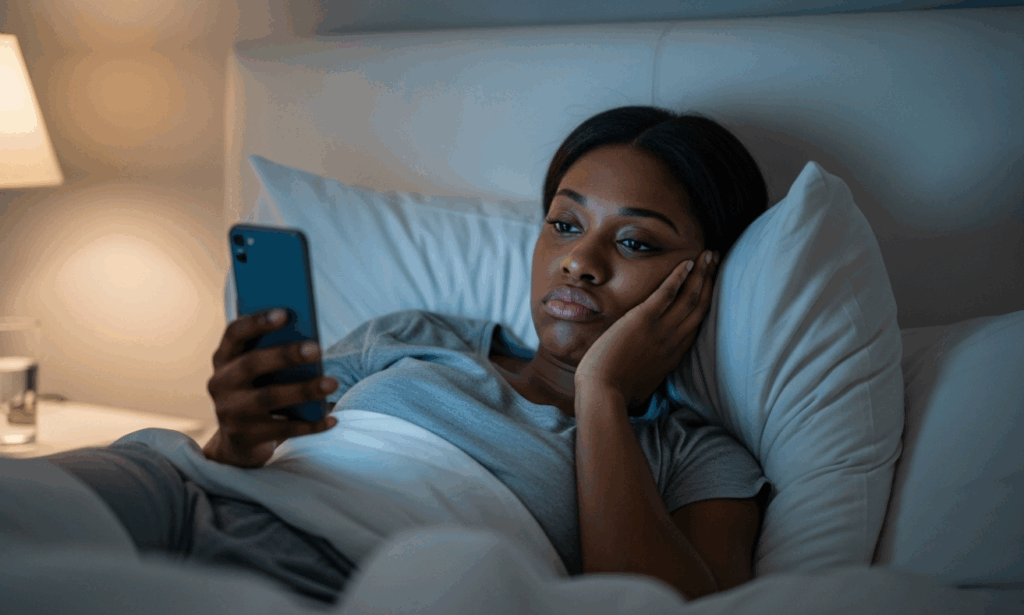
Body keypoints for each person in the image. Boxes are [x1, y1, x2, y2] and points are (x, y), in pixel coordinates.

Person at [45, 105, 772, 606]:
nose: (579, 260)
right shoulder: (417, 333)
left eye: (635, 241)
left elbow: (665, 605)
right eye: (564, 222)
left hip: (345, 573)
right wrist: (236, 437)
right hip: (184, 489)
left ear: (704, 274)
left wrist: (602, 392)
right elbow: (252, 451)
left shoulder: (690, 452)